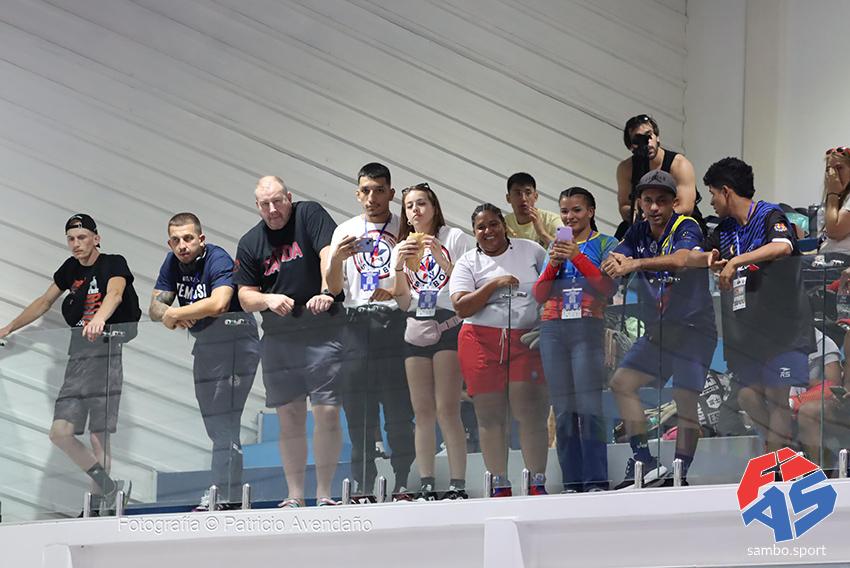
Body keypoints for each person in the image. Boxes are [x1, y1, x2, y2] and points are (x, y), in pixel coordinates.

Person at [0, 214, 140, 515]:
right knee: (60, 432)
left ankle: (97, 507)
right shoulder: (70, 269)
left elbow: (115, 293)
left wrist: (99, 319)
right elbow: (44, 301)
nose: (76, 244)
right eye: (71, 239)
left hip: (105, 354)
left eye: (82, 237)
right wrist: (8, 327)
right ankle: (110, 488)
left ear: (96, 239)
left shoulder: (113, 263)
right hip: (77, 358)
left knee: (98, 435)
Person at [234, 176, 345, 508]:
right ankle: (295, 494)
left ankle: (324, 492)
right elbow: (245, 297)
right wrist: (268, 300)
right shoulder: (250, 242)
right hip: (279, 340)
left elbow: (328, 254)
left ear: (289, 198)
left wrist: (326, 292)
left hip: (323, 331)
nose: (273, 209)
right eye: (265, 204)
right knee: (290, 418)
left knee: (327, 412)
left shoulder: (308, 214)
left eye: (278, 201)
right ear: (257, 207)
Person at [602, 170, 717, 488]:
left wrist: (635, 264)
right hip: (659, 331)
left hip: (694, 329)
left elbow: (681, 259)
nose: (654, 207)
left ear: (674, 203)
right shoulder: (637, 231)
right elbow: (617, 256)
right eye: (648, 200)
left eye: (662, 201)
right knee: (622, 383)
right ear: (639, 202)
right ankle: (644, 461)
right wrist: (613, 260)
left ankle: (680, 476)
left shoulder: (686, 225)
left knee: (685, 399)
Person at [695, 157, 814, 454]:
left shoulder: (769, 215)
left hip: (783, 331)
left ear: (726, 191)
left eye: (712, 193)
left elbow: (783, 246)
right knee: (747, 397)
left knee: (776, 398)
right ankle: (790, 446)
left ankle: (776, 465)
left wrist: (736, 260)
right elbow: (696, 255)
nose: (711, 201)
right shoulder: (725, 229)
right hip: (749, 336)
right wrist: (710, 260)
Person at [150, 212, 260, 510]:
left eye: (188, 238)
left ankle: (221, 493)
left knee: (224, 418)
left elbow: (219, 303)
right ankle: (230, 495)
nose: (182, 245)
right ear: (169, 243)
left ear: (201, 239)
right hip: (206, 347)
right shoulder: (172, 262)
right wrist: (171, 313)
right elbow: (154, 308)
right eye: (176, 240)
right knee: (215, 422)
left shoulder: (217, 258)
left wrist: (177, 313)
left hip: (238, 344)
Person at [325, 163, 415, 499]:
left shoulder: (405, 228)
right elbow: (334, 288)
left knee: (398, 409)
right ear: (357, 193)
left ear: (391, 193)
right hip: (356, 324)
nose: (372, 197)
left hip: (395, 323)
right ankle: (363, 482)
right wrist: (337, 259)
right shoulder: (345, 230)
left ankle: (404, 479)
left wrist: (393, 291)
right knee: (358, 410)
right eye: (365, 190)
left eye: (379, 190)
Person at [451, 204, 549, 497]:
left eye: (493, 224)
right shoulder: (467, 262)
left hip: (525, 339)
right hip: (480, 340)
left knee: (529, 411)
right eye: (481, 227)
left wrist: (546, 320)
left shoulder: (531, 250)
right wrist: (493, 285)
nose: (488, 231)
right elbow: (461, 306)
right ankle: (499, 484)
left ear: (504, 226)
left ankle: (536, 482)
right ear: (474, 232)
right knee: (490, 416)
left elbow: (553, 283)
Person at [532, 188, 618, 492]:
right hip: (552, 330)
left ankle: (596, 480)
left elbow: (607, 288)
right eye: (565, 211)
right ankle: (572, 482)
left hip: (587, 328)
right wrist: (554, 263)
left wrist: (577, 257)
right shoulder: (555, 246)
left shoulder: (607, 243)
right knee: (563, 408)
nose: (570, 217)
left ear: (591, 211)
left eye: (577, 210)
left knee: (589, 405)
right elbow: (539, 294)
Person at [391, 182, 473, 500]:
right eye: (410, 206)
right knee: (422, 410)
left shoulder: (454, 238)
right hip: (415, 325)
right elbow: (402, 302)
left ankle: (457, 482)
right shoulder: (402, 245)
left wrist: (441, 258)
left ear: (434, 207)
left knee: (447, 409)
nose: (416, 210)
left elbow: (465, 287)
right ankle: (426, 481)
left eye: (422, 203)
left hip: (448, 322)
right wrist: (399, 265)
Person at [615, 114, 700, 239]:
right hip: (645, 224)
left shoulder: (679, 164)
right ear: (631, 146)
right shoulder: (626, 168)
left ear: (657, 137)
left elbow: (686, 207)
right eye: (639, 139)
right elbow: (624, 205)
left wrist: (654, 216)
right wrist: (634, 213)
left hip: (680, 224)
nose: (647, 143)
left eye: (649, 136)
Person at [792, 329, 842, 467]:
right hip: (782, 399)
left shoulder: (824, 343)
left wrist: (797, 399)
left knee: (807, 411)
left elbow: (833, 386)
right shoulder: (771, 340)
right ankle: (773, 469)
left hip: (814, 403)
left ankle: (816, 469)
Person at [504, 172, 561, 248]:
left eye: (528, 193)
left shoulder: (553, 220)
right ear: (508, 198)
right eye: (518, 193)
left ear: (535, 196)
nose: (523, 199)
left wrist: (542, 233)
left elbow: (566, 251)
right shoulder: (503, 224)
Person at [819, 147, 850, 254]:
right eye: (829, 169)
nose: (832, 174)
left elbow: (834, 231)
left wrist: (832, 192)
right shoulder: (838, 199)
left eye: (839, 168)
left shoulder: (835, 196)